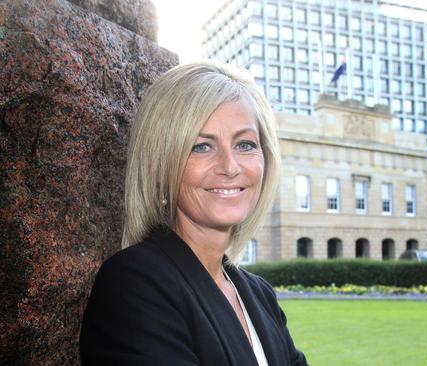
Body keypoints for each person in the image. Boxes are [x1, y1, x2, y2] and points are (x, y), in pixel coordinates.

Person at [80, 61, 308, 366]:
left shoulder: (260, 295)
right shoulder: (134, 285)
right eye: (201, 146)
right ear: (161, 163)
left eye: (245, 144)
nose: (230, 166)